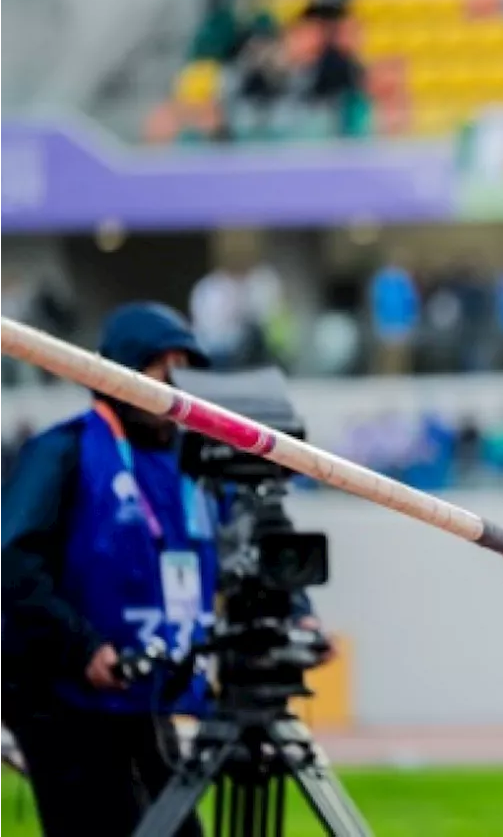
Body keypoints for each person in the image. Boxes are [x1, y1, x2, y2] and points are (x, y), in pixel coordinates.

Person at [0, 301, 328, 837]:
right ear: (118, 372)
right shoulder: (64, 451)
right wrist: (79, 646)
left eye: (185, 366)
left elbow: (254, 542)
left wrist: (299, 614)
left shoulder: (198, 465)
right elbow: (10, 558)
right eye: (160, 366)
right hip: (65, 698)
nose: (175, 383)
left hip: (147, 695)